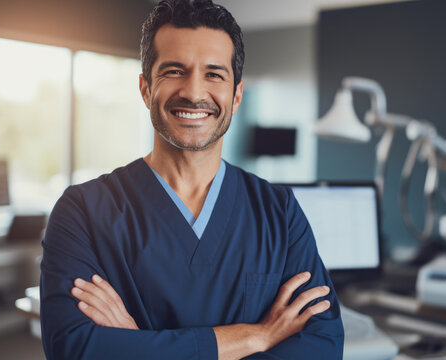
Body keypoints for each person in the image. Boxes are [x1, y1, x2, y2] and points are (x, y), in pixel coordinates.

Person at [39, 0, 344, 358]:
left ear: (236, 95)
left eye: (214, 74)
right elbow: (75, 348)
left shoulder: (280, 212)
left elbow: (321, 347)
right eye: (174, 71)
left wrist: (141, 346)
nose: (195, 93)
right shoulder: (83, 212)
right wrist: (255, 337)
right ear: (145, 88)